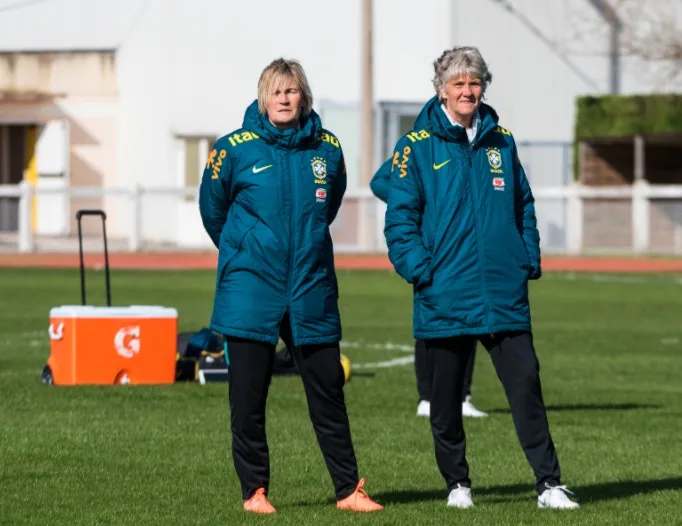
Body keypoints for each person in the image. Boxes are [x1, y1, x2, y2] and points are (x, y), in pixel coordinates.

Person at [383, 46, 579, 510]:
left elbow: (523, 205)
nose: (467, 91)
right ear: (441, 90)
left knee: (526, 383)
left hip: (502, 290)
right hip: (444, 291)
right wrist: (421, 271)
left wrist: (525, 257)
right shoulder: (415, 146)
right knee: (445, 399)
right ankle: (458, 486)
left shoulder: (501, 142)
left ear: (482, 87)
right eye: (458, 83)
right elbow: (400, 220)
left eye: (474, 83)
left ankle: (549, 485)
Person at [199, 58, 382, 514]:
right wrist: (244, 251)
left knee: (328, 393)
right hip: (251, 289)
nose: (284, 98)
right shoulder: (234, 148)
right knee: (248, 399)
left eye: (292, 90)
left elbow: (330, 203)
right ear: (263, 97)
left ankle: (347, 491)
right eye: (276, 91)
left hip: (310, 286)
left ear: (304, 96)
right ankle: (254, 491)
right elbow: (213, 210)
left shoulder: (328, 148)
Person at [371, 157, 487, 419]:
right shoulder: (419, 146)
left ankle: (462, 397)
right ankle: (426, 398)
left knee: (471, 322)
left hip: (469, 249)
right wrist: (419, 202)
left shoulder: (475, 145)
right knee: (430, 321)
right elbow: (379, 181)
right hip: (434, 250)